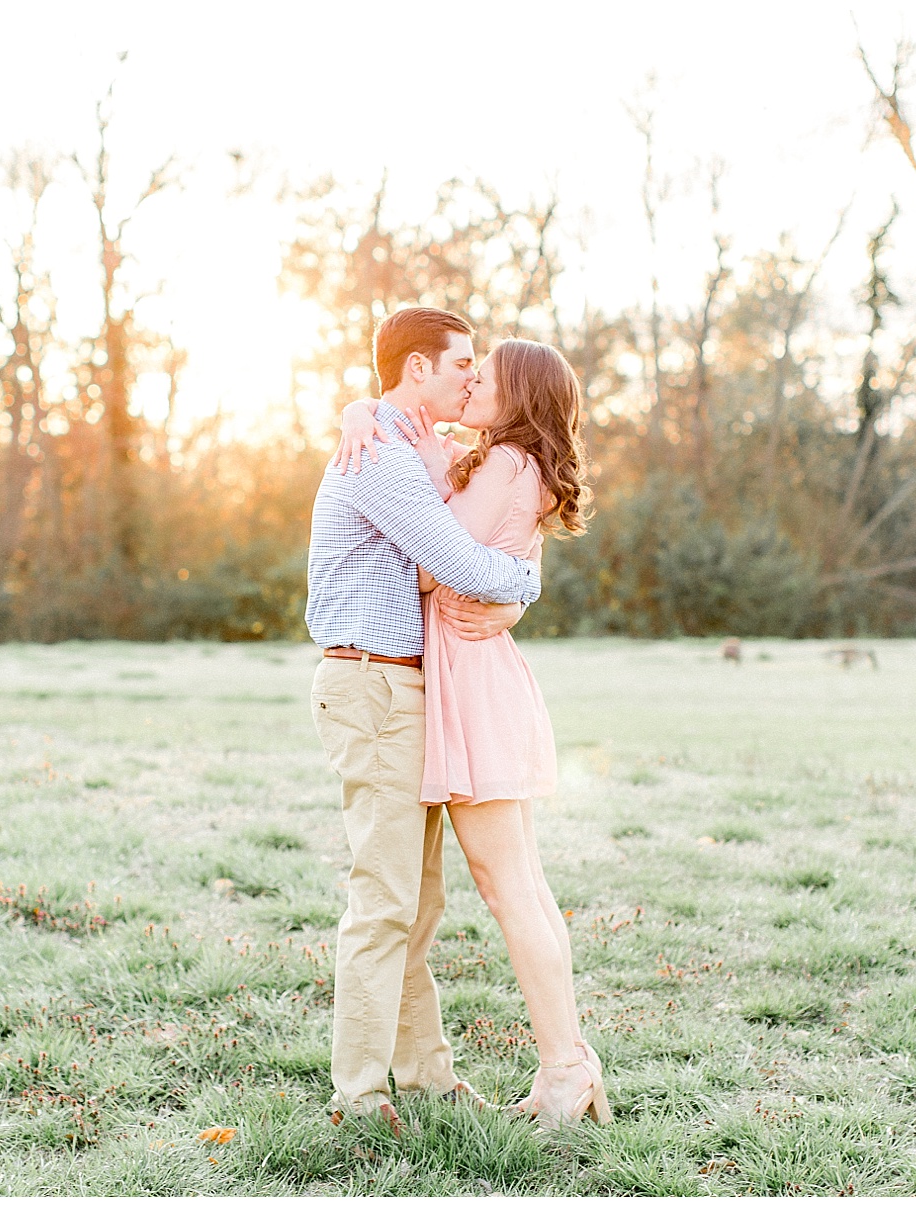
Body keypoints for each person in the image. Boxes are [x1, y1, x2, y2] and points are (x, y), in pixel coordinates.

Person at [332, 337, 607, 1128]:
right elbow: (395, 422)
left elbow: (430, 565)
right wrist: (361, 408)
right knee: (520, 884)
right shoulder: (499, 459)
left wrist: (512, 584)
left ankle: (564, 1068)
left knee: (508, 886)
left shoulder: (506, 464)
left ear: (517, 394)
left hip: (472, 683)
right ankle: (571, 1061)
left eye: (485, 377)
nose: (473, 382)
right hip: (472, 676)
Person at [305, 307, 542, 1135]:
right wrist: (526, 587)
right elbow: (458, 564)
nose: (474, 378)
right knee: (384, 898)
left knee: (420, 898)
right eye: (461, 365)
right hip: (371, 685)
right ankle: (361, 1095)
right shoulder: (380, 457)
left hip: (406, 689)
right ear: (415, 371)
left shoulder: (407, 444)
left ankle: (427, 1073)